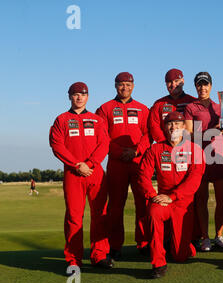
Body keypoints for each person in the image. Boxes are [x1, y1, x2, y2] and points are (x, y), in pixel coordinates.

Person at [49, 82, 112, 272]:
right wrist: (77, 165)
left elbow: (104, 144)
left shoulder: (97, 120)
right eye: (75, 94)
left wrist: (90, 164)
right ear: (69, 96)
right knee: (74, 217)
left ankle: (99, 255)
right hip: (73, 173)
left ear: (88, 97)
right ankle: (73, 259)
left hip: (95, 173)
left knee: (99, 215)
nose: (79, 98)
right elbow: (57, 145)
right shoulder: (62, 120)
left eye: (82, 94)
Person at [137, 111, 205, 279]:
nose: (173, 127)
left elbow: (194, 179)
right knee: (153, 212)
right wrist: (153, 195)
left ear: (183, 128)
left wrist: (173, 196)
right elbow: (143, 176)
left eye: (177, 124)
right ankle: (158, 263)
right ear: (165, 127)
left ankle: (183, 245)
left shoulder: (195, 150)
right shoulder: (155, 149)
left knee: (180, 256)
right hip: (162, 200)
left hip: (182, 203)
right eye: (169, 124)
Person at [96, 72, 151, 260]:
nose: (124, 88)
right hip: (116, 163)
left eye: (128, 84)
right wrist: (121, 153)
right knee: (116, 206)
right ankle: (115, 245)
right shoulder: (105, 109)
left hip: (138, 161)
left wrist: (136, 151)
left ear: (133, 86)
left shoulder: (143, 109)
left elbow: (148, 135)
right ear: (115, 86)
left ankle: (143, 243)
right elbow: (103, 137)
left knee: (142, 203)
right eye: (121, 84)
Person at [184, 72, 223, 251]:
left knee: (222, 199)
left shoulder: (220, 107)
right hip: (199, 157)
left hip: (219, 156)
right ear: (195, 87)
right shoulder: (190, 107)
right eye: (199, 84)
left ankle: (219, 235)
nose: (202, 88)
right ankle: (205, 238)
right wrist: (210, 131)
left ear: (211, 86)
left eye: (205, 84)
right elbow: (188, 134)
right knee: (201, 199)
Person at [148, 68, 197, 143]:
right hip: (166, 147)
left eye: (176, 81)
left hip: (188, 147)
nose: (173, 84)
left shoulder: (193, 102)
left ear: (183, 81)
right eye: (170, 82)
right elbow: (154, 126)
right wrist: (166, 143)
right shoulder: (158, 104)